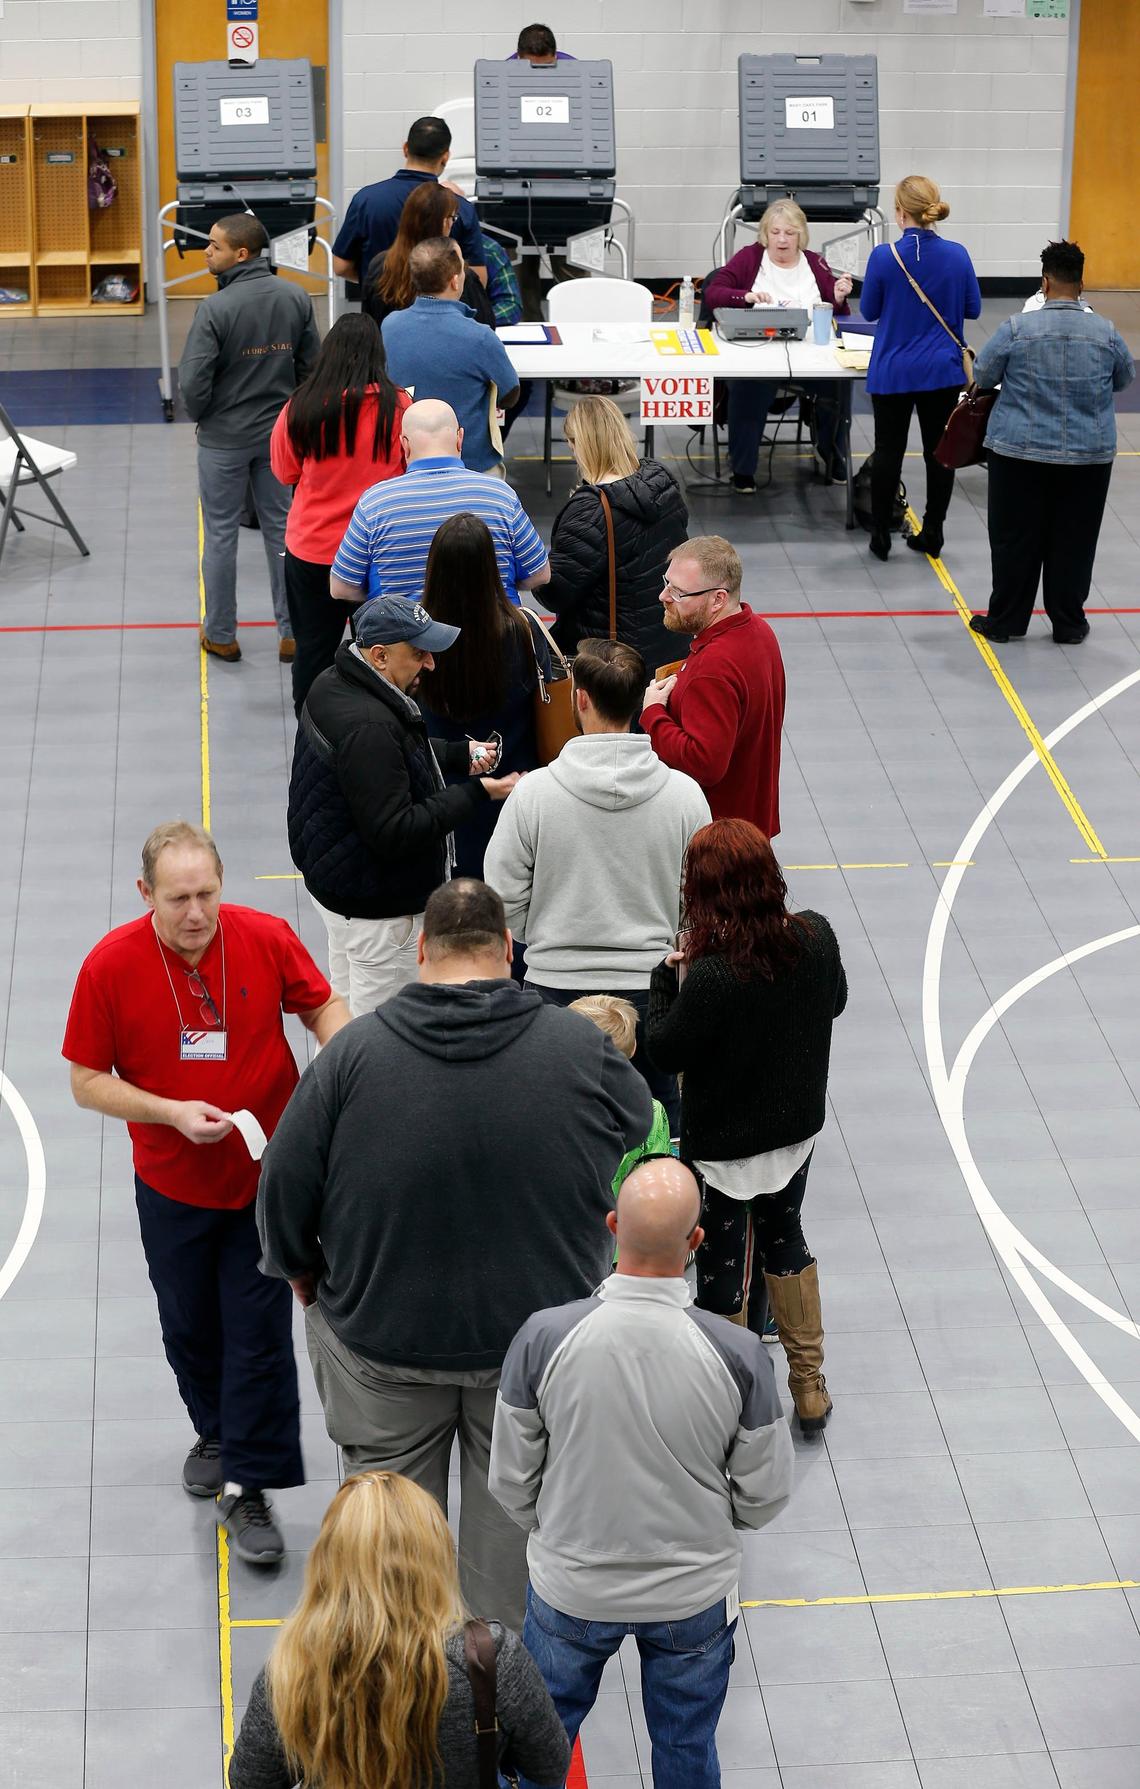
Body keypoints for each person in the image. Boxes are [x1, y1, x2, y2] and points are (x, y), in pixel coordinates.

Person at [257, 879, 654, 1628]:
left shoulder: (352, 1058)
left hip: (381, 1349)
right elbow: (638, 1123)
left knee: (393, 1582)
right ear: (509, 949)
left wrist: (308, 1278)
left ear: (419, 952)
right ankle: (489, 1720)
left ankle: (406, 1717)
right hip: (530, 1359)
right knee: (504, 1585)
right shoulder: (579, 1048)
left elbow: (281, 1184)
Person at [62, 821, 348, 1563]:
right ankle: (215, 1428)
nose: (196, 912)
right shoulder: (109, 967)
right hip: (172, 1183)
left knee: (256, 1335)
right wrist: (168, 1112)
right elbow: (86, 1081)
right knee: (188, 1324)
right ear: (145, 894)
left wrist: (341, 1064)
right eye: (179, 897)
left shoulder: (264, 937)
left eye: (208, 894)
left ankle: (246, 1490)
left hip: (264, 1179)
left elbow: (321, 1006)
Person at [489, 1156, 794, 1789]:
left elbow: (510, 1482)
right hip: (692, 1597)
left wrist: (558, 1526)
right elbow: (764, 1499)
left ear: (611, 1227)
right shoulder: (739, 1356)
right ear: (697, 1243)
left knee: (540, 1753)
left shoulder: (543, 1339)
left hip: (571, 1591)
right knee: (686, 1748)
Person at [646, 820, 847, 1435]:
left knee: (722, 1269)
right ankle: (808, 1387)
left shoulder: (709, 977)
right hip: (795, 1133)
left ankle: (728, 1399)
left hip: (726, 1152)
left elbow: (665, 1049)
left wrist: (665, 981)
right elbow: (834, 1000)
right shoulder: (815, 937)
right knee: (787, 1236)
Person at [485, 637, 710, 1133]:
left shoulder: (534, 796)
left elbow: (501, 896)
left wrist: (546, 930)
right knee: (656, 1136)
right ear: (638, 703)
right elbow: (697, 903)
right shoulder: (684, 796)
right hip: (652, 997)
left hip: (554, 991)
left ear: (579, 699)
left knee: (556, 1133)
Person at [230, 1471, 571, 1789]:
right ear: (435, 1554)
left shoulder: (295, 1666)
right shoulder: (491, 1658)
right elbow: (549, 1765)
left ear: (328, 1560)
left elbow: (250, 1780)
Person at [288, 594, 517, 1016]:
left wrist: (454, 756)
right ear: (379, 655)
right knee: (381, 1037)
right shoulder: (369, 724)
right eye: (418, 653)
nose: (429, 663)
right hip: (381, 918)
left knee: (345, 1020)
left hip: (340, 893)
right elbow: (394, 830)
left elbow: (383, 757)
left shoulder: (335, 683)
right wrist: (477, 793)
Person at [969, 239, 1135, 646]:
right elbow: (1124, 379)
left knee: (1015, 539)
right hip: (1088, 456)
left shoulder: (1016, 328)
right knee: (1075, 541)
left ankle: (1006, 620)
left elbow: (984, 374)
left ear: (1044, 282)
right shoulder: (1106, 332)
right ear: (1081, 284)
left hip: (1019, 453)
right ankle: (1069, 624)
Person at [178, 212, 320, 663]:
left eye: (215, 246)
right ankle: (293, 632)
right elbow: (311, 369)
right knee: (283, 534)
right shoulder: (295, 297)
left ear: (241, 253)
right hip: (279, 438)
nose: (206, 252)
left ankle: (220, 633)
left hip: (223, 439)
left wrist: (206, 416)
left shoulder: (215, 309)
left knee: (219, 534)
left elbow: (192, 382)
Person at [269, 314, 410, 715]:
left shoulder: (303, 406)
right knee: (384, 652)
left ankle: (313, 735)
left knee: (313, 650)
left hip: (314, 551)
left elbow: (284, 471)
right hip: (377, 555)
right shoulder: (399, 405)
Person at [414, 512, 552, 879]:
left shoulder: (416, 639)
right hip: (514, 788)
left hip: (443, 793)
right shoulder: (522, 630)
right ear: (491, 567)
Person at [859, 174, 982, 562]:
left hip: (893, 370)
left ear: (899, 213)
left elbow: (869, 311)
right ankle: (933, 531)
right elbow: (973, 309)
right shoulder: (957, 254)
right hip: (941, 372)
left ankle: (880, 534)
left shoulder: (883, 257)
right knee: (939, 453)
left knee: (888, 452)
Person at [331, 398, 550, 604]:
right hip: (493, 638)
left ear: (404, 444)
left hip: (405, 640)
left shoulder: (375, 503)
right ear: (459, 438)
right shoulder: (501, 495)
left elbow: (342, 588)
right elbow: (539, 575)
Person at [640, 536, 785, 838]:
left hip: (715, 841)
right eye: (667, 582)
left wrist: (653, 713)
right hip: (750, 827)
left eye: (678, 592)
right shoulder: (760, 631)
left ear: (718, 598)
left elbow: (704, 764)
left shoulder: (713, 667)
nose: (663, 596)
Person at [703, 200, 854, 490]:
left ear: (801, 236)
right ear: (765, 234)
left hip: (810, 355)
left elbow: (838, 312)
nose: (782, 240)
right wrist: (745, 297)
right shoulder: (749, 258)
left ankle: (833, 454)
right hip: (759, 353)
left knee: (838, 386)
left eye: (790, 233)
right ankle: (743, 469)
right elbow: (713, 293)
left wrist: (838, 297)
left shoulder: (815, 263)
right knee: (748, 386)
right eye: (775, 232)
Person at [546, 395, 689, 670]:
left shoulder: (590, 511)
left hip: (614, 660)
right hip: (667, 645)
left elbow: (557, 593)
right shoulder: (661, 485)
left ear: (580, 446)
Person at [382, 239, 522, 476]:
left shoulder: (389, 326)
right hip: (471, 464)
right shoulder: (480, 337)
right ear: (455, 280)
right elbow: (511, 394)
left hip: (407, 463)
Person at [331, 114, 486, 289]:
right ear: (445, 157)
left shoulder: (366, 200)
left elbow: (341, 266)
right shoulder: (459, 208)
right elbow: (478, 278)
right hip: (439, 313)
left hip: (380, 311)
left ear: (405, 148)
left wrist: (380, 283)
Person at [569, 995, 673, 1194]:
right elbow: (653, 1180)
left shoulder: (550, 1107)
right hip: (624, 1218)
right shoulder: (651, 1110)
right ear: (633, 1048)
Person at [362, 180, 494, 334]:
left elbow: (369, 324)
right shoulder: (458, 275)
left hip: (390, 355)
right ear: (445, 223)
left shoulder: (380, 266)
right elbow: (485, 328)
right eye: (453, 218)